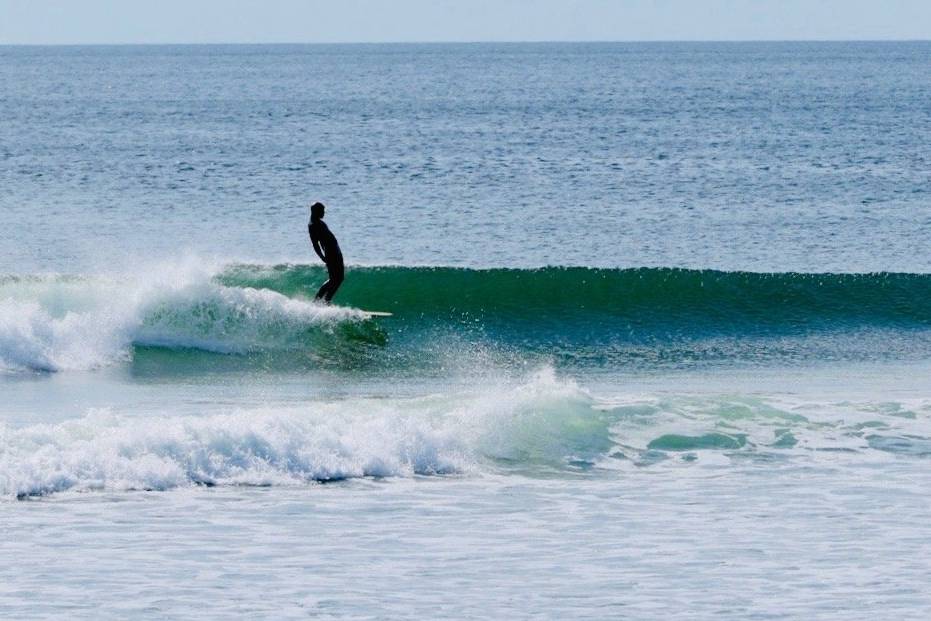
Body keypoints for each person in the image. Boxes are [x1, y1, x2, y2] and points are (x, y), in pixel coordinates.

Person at [308, 201, 344, 302]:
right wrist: (322, 257)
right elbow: (315, 244)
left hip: (333, 252)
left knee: (336, 279)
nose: (324, 213)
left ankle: (322, 300)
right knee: (336, 279)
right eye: (322, 211)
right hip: (331, 253)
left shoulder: (316, 221)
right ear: (316, 211)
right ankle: (324, 300)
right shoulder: (313, 224)